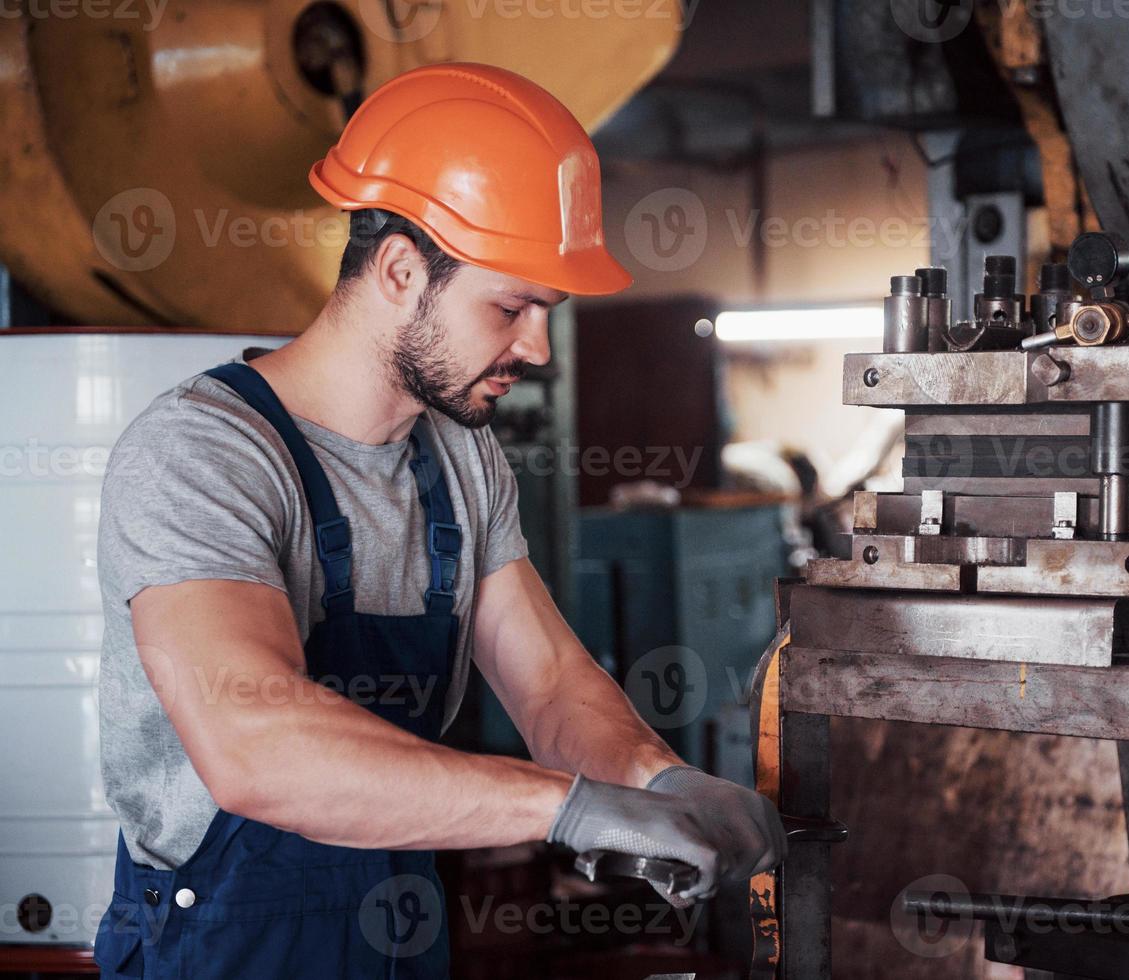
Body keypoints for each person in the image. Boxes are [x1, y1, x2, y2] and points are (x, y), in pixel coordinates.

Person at [92, 63, 785, 978]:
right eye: (510, 306)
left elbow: (548, 686)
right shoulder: (201, 456)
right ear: (400, 268)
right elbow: (254, 746)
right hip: (227, 946)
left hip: (398, 928)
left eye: (549, 310)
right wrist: (568, 808)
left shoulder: (459, 457)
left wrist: (661, 782)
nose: (536, 348)